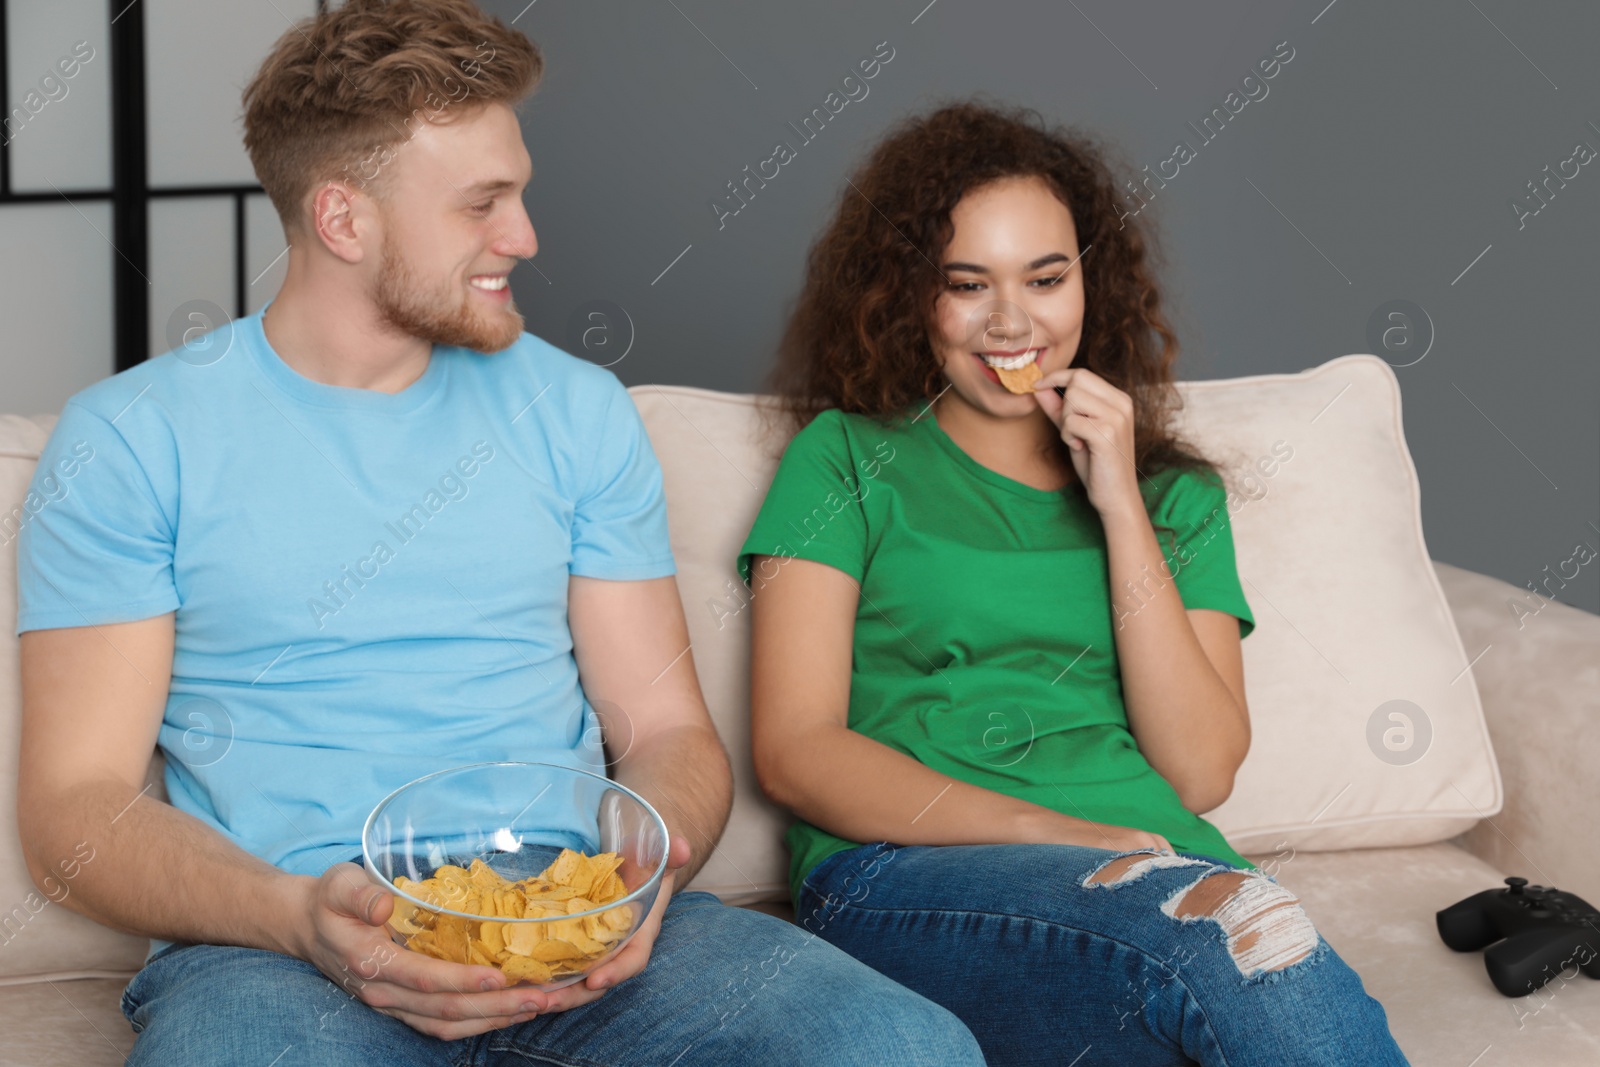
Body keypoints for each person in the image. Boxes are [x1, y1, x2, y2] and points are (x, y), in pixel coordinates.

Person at [12, 3, 984, 1064]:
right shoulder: (134, 439)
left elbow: (665, 735)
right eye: (484, 204)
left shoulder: (574, 411)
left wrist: (644, 866)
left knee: (897, 1042)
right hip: (281, 948)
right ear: (344, 219)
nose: (523, 237)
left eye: (517, 193)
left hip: (569, 924)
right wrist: (296, 915)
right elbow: (78, 808)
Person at [739, 101, 1411, 1066]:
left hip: (1162, 880)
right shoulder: (843, 457)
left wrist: (1120, 507)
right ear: (908, 294)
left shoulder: (1172, 495)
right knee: (1243, 941)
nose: (1012, 321)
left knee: (1238, 967)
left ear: (1092, 282)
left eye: (1045, 278)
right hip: (912, 875)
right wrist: (1060, 832)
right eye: (966, 284)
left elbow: (1199, 771)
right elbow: (796, 750)